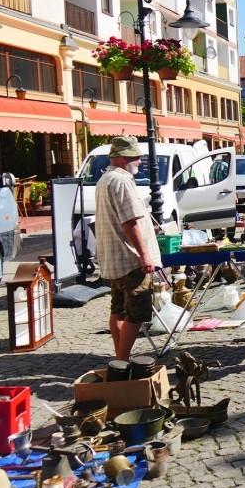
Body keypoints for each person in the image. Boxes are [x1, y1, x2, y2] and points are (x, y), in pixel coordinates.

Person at [95, 136, 162, 361]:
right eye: (136, 157)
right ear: (124, 158)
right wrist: (145, 255)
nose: (140, 161)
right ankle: (122, 361)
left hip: (116, 259)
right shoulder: (121, 181)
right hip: (130, 259)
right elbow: (129, 221)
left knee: (118, 311)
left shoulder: (105, 179)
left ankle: (120, 361)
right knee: (136, 313)